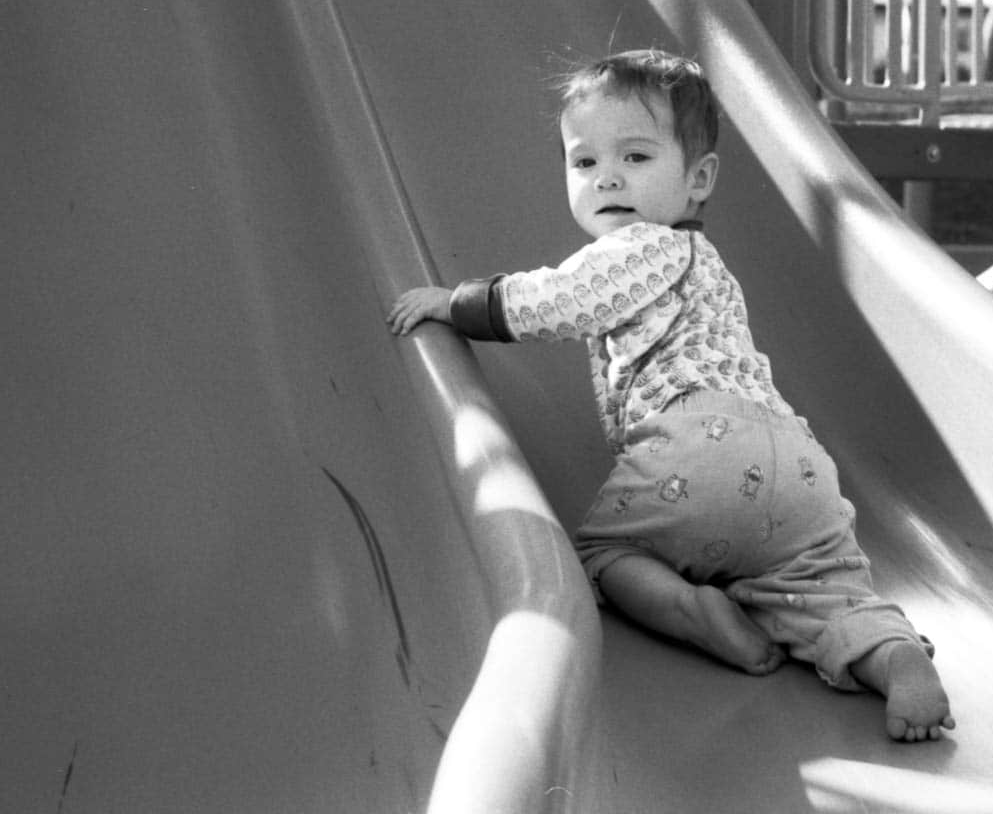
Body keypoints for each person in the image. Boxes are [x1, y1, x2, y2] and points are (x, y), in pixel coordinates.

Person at [388, 49, 954, 741]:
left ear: (697, 180)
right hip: (798, 464)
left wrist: (458, 304)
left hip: (694, 449)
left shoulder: (642, 245)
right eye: (584, 162)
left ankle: (692, 611)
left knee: (600, 557)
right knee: (819, 587)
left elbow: (563, 301)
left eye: (634, 156)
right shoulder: (707, 265)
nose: (608, 178)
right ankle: (889, 654)